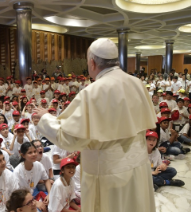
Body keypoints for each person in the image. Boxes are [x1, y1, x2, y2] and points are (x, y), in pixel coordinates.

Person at [34, 38, 157, 212]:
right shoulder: (137, 83)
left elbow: (70, 138)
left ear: (92, 62)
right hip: (138, 168)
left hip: (108, 176)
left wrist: (45, 118)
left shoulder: (93, 92)